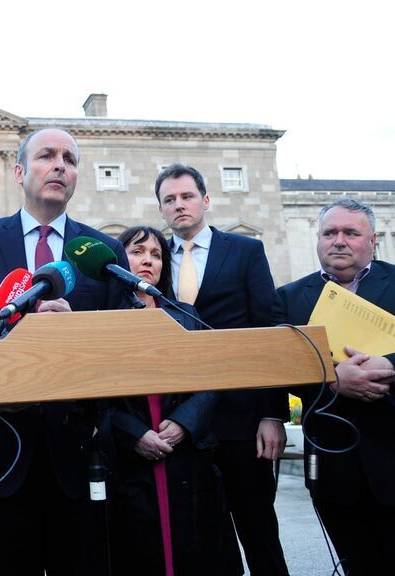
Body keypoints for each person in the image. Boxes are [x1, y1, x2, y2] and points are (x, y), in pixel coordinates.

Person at [0, 127, 130, 575]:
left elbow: (121, 347)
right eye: (47, 155)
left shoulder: (104, 252)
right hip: (0, 452)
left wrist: (74, 333)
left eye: (70, 158)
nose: (60, 165)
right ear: (20, 172)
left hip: (81, 452)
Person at [274, 198, 395, 575]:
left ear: (373, 240)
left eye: (351, 232)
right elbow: (279, 367)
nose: (339, 241)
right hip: (338, 475)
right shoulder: (288, 299)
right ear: (318, 240)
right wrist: (333, 380)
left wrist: (392, 367)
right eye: (330, 233)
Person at [155, 163, 289, 575]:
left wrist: (272, 413)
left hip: (242, 418)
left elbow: (267, 331)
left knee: (259, 533)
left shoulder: (245, 251)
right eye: (169, 200)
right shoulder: (155, 261)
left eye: (187, 196)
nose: (179, 206)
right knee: (202, 541)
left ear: (205, 201)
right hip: (184, 423)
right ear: (161, 210)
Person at [109, 225, 241, 576]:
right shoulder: (100, 320)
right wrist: (133, 433)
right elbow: (94, 393)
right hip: (129, 460)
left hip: (186, 457)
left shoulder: (186, 314)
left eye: (156, 254)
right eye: (137, 252)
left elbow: (212, 378)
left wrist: (185, 421)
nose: (148, 260)